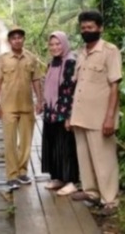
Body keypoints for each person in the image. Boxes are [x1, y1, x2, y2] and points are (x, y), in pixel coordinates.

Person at [69, 10, 123, 216]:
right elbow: (78, 84)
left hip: (100, 117)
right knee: (85, 158)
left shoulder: (110, 51)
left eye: (90, 28)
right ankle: (92, 192)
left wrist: (110, 117)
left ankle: (110, 200)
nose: (86, 31)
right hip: (80, 115)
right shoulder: (81, 52)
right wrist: (70, 116)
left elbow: (114, 86)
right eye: (83, 28)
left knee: (104, 159)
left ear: (100, 28)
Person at [0, 26, 44, 190]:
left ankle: (22, 172)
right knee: (10, 142)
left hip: (27, 105)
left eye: (20, 37)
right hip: (8, 107)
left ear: (23, 39)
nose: (17, 40)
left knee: (27, 142)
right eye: (13, 38)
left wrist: (40, 100)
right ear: (9, 41)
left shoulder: (31, 58)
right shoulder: (2, 59)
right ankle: (12, 175)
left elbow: (36, 81)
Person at [41, 31, 80, 196]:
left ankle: (71, 181)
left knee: (66, 146)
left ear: (64, 44)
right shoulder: (52, 63)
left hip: (64, 111)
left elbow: (73, 90)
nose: (55, 47)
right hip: (51, 111)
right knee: (53, 145)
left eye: (58, 44)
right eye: (51, 44)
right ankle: (57, 177)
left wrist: (70, 116)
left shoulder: (70, 62)